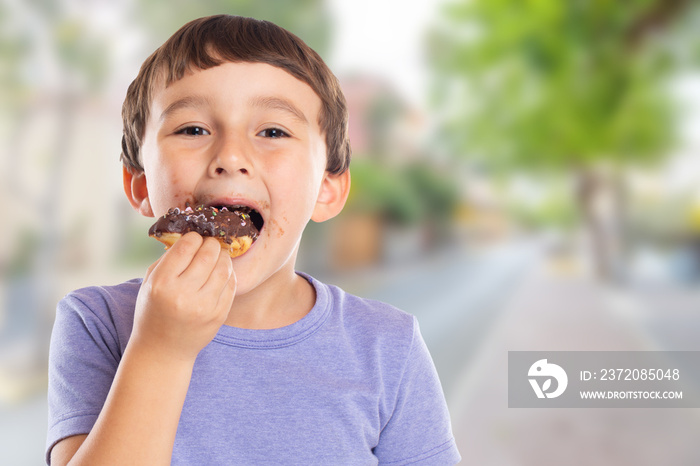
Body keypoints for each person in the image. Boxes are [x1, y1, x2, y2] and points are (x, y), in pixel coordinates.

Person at [46, 14, 460, 465]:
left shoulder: (388, 346)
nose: (230, 157)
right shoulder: (97, 323)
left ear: (327, 190)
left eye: (273, 131)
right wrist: (161, 349)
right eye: (193, 129)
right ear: (140, 186)